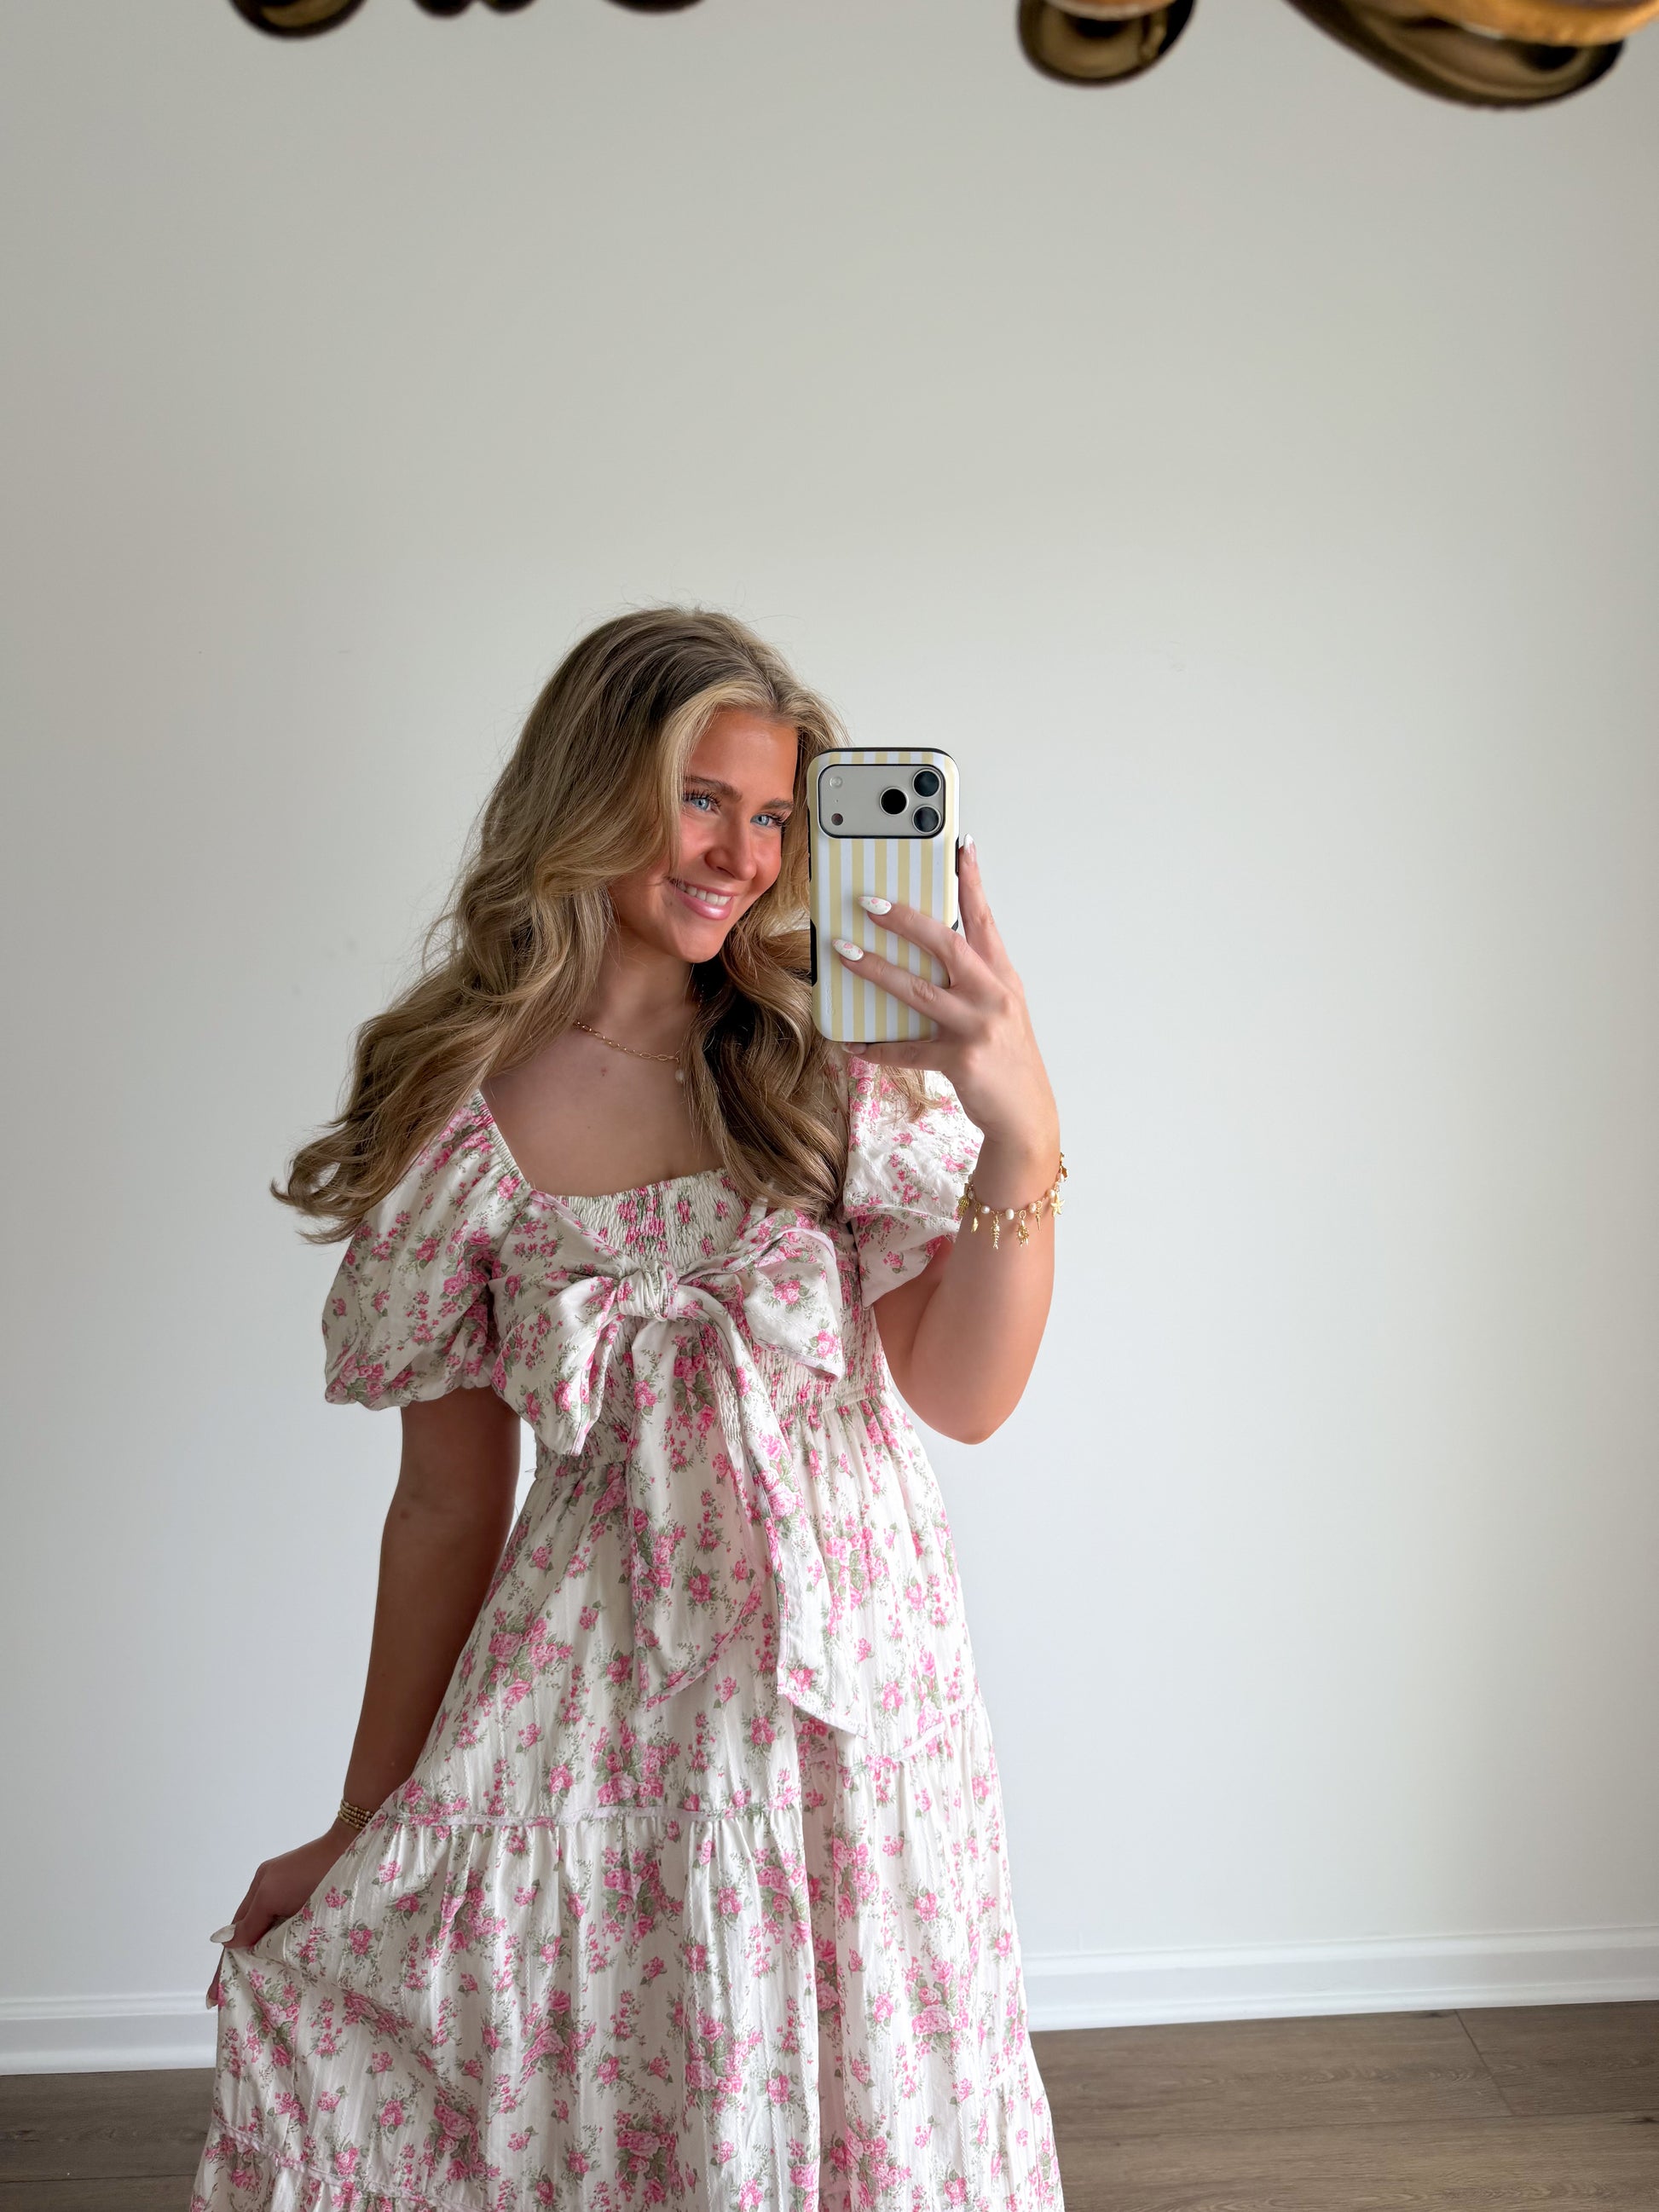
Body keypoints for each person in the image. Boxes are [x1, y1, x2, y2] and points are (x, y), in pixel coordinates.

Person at [191, 607, 1066, 2212]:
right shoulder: (457, 1112)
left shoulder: (828, 1064)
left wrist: (1018, 1129)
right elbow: (445, 1502)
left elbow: (964, 1395)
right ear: (590, 793)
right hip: (600, 1692)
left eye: (776, 816)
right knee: (631, 2084)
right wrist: (360, 1820)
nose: (742, 856)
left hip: (853, 1689)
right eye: (700, 801)